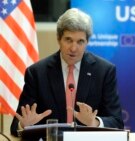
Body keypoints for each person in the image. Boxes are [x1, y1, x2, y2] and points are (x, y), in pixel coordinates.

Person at [10, 8, 124, 136]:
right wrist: (24, 125)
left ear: (87, 42)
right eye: (68, 40)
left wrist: (94, 123)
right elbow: (16, 125)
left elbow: (117, 122)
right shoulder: (36, 73)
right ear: (59, 39)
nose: (74, 48)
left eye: (80, 41)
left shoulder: (104, 71)